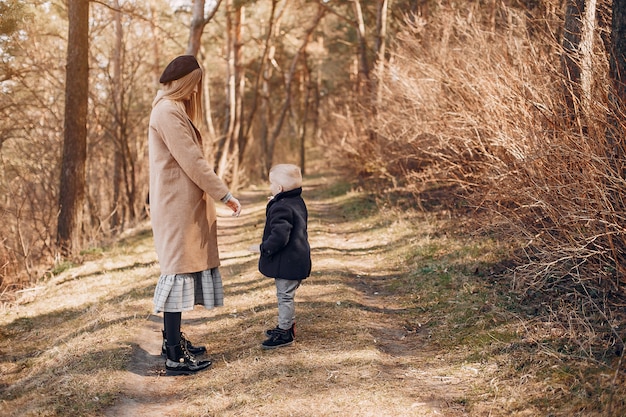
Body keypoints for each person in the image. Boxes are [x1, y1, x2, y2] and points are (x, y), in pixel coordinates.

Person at [148, 55, 242, 376]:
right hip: (177, 208)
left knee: (180, 273)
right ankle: (174, 355)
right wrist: (224, 194)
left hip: (181, 205)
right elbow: (192, 160)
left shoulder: (170, 109)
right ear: (185, 83)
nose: (194, 94)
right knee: (176, 275)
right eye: (193, 87)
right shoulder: (167, 111)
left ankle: (171, 341)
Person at [250, 164, 311, 349]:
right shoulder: (296, 201)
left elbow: (279, 236)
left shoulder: (281, 207)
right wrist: (275, 202)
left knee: (285, 297)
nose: (270, 187)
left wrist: (263, 248)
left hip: (288, 263)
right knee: (287, 295)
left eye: (271, 184)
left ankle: (285, 332)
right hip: (298, 259)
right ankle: (286, 326)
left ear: (279, 189)